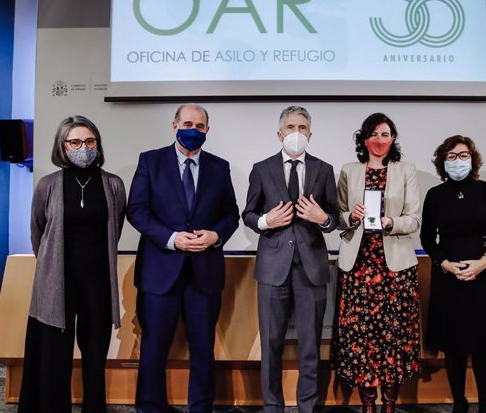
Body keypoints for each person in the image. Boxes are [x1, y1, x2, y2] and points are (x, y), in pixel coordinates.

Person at [127, 103, 240, 413]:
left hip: (204, 273)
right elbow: (136, 210)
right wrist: (172, 238)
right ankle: (150, 407)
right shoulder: (150, 161)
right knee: (154, 346)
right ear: (174, 126)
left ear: (207, 130)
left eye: (200, 126)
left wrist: (216, 236)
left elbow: (231, 214)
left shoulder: (219, 166)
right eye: (188, 123)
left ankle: (200, 407)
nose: (194, 130)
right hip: (160, 271)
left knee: (203, 348)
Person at [19, 116, 127, 413]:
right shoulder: (48, 185)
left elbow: (114, 229)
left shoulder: (113, 185)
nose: (84, 147)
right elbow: (38, 230)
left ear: (98, 145)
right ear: (63, 146)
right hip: (57, 281)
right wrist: (51, 266)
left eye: (90, 141)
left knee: (95, 353)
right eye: (76, 142)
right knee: (55, 354)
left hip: (98, 281)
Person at [242, 105, 338, 413]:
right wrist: (267, 221)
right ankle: (272, 406)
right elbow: (248, 214)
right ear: (279, 133)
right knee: (271, 345)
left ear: (310, 134)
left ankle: (307, 406)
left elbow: (334, 217)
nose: (296, 133)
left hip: (312, 268)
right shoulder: (262, 168)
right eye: (291, 127)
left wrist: (323, 218)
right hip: (272, 269)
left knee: (310, 346)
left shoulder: (324, 169)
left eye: (302, 127)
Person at [420, 135, 486, 413]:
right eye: (451, 156)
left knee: (483, 345)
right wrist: (444, 264)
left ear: (473, 160)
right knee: (454, 346)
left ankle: (485, 405)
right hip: (448, 275)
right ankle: (459, 403)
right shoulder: (434, 195)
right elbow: (427, 238)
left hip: (484, 272)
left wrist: (483, 263)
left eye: (463, 155)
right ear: (442, 161)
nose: (457, 161)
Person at [332, 113, 422, 413]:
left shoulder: (406, 170)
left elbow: (414, 219)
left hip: (395, 268)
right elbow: (339, 218)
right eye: (373, 134)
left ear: (393, 138)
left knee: (393, 338)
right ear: (363, 139)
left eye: (385, 134)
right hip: (359, 267)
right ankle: (368, 404)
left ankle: (390, 403)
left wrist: (389, 221)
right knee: (361, 337)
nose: (379, 140)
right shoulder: (349, 171)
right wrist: (352, 217)